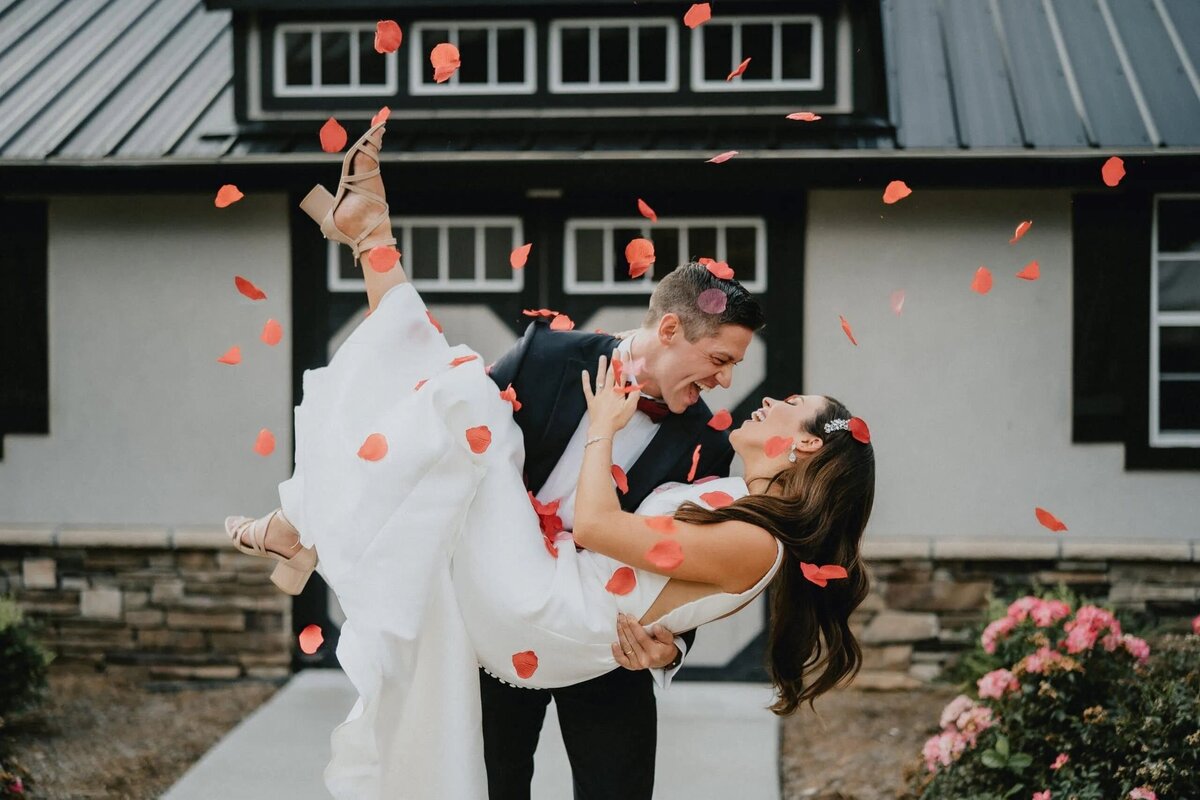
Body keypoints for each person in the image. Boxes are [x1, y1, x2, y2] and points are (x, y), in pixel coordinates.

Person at [224, 121, 876, 799]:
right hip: (501, 620)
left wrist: (670, 650)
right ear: (673, 329)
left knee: (614, 792)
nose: (724, 383)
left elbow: (698, 577)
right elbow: (431, 449)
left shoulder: (714, 450)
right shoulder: (548, 358)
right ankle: (368, 246)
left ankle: (304, 516)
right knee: (452, 404)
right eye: (718, 361)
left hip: (604, 654)